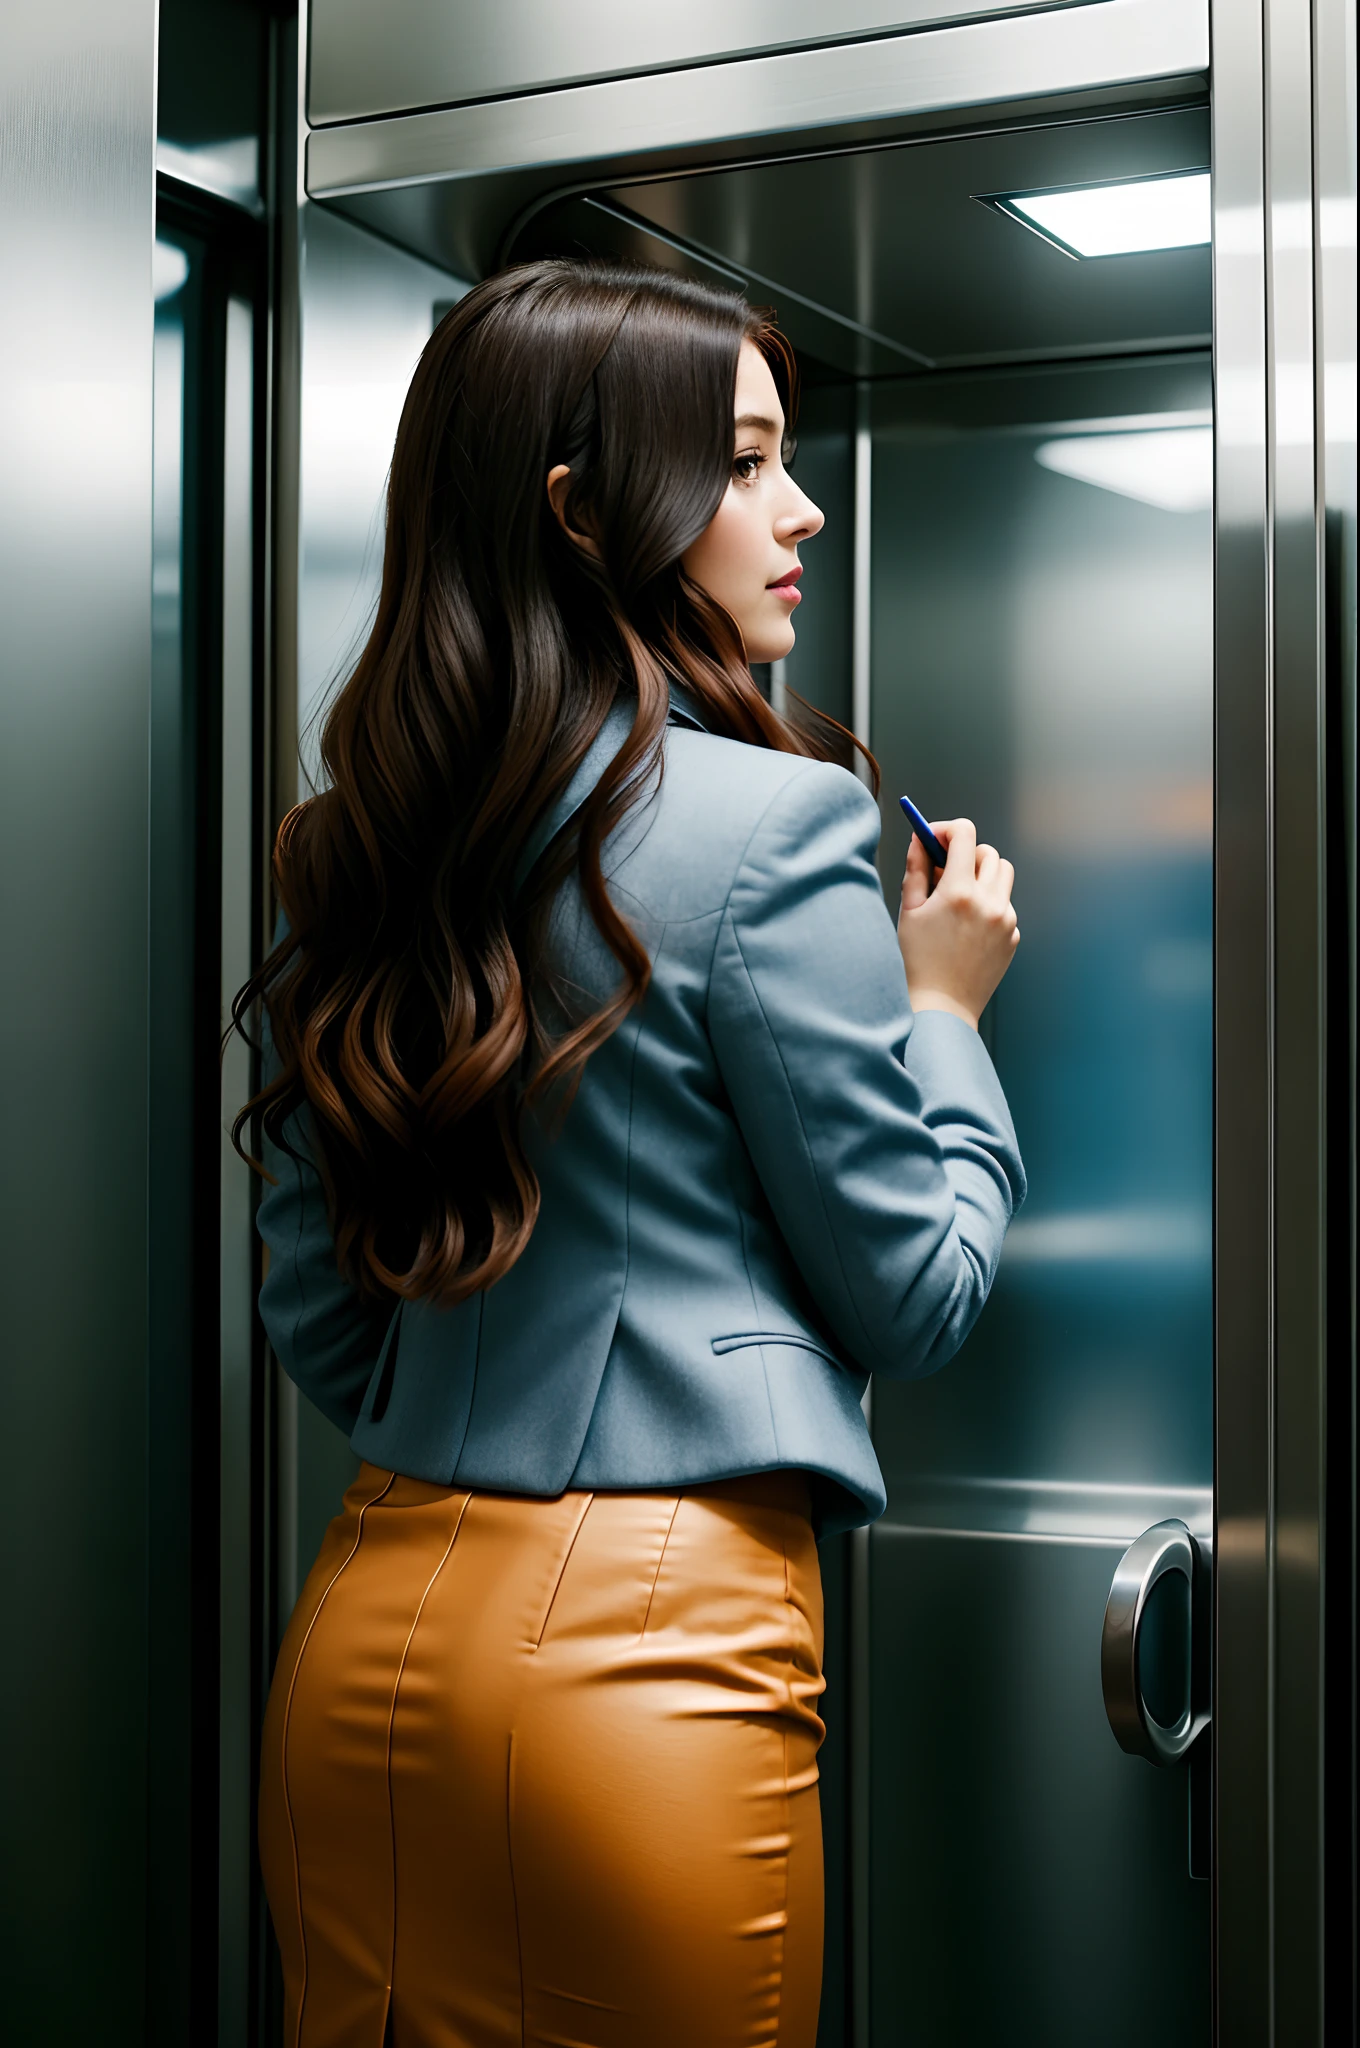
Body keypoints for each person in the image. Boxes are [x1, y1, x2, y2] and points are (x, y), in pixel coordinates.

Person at [236, 258, 1024, 2048]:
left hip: (368, 1630)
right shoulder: (779, 824)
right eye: (743, 462)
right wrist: (947, 1012)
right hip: (653, 1657)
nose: (799, 504)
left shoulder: (358, 841)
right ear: (586, 514)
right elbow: (918, 1295)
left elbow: (321, 1310)